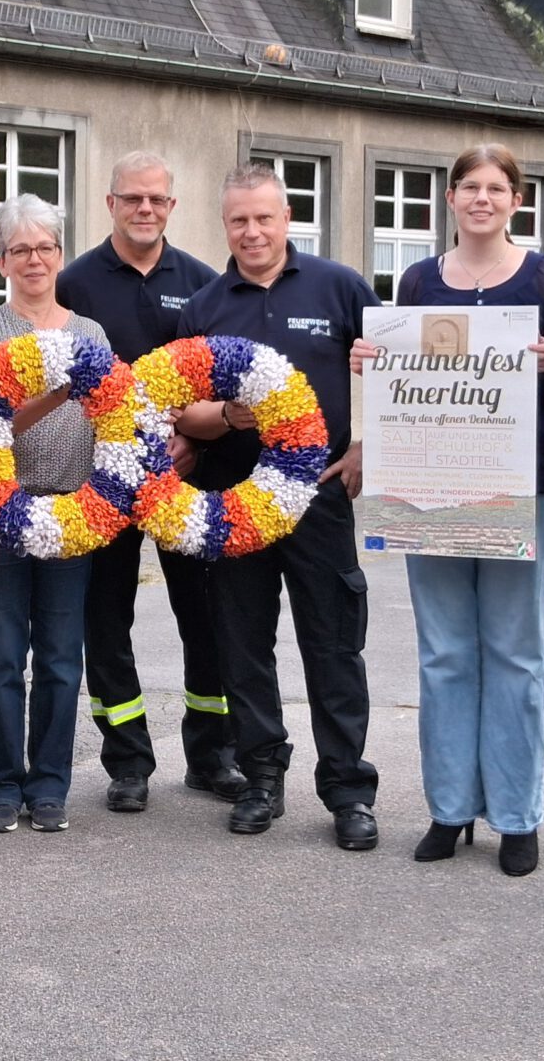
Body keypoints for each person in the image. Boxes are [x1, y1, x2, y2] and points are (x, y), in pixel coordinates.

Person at [350, 145, 544, 876]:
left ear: (516, 200)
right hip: (429, 487)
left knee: (516, 653)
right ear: (450, 198)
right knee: (444, 654)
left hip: (517, 486)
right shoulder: (416, 280)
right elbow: (399, 376)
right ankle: (449, 808)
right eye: (469, 186)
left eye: (496, 187)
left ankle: (516, 815)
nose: (482, 198)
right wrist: (371, 362)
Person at [173, 162, 380, 851]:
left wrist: (365, 450)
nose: (252, 231)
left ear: (287, 218)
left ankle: (348, 789)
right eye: (239, 220)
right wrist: (228, 414)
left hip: (318, 496)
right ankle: (262, 776)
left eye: (264, 218)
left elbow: (391, 373)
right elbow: (185, 415)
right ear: (224, 224)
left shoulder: (340, 287)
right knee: (243, 642)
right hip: (235, 497)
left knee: (333, 644)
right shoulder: (206, 307)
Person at [54, 151, 243, 813]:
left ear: (171, 207)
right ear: (110, 203)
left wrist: (190, 441)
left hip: (183, 478)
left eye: (157, 201)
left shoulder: (200, 282)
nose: (145, 210)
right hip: (100, 483)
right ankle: (127, 761)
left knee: (207, 615)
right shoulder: (73, 282)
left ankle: (212, 754)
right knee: (105, 620)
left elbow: (217, 378)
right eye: (132, 198)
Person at [0, 195, 107, 834]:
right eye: (20, 250)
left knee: (58, 660)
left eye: (45, 247)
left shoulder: (91, 334)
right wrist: (53, 395)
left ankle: (49, 786)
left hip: (73, 514)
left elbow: (115, 417)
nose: (34, 259)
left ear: (60, 255)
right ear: (1, 262)